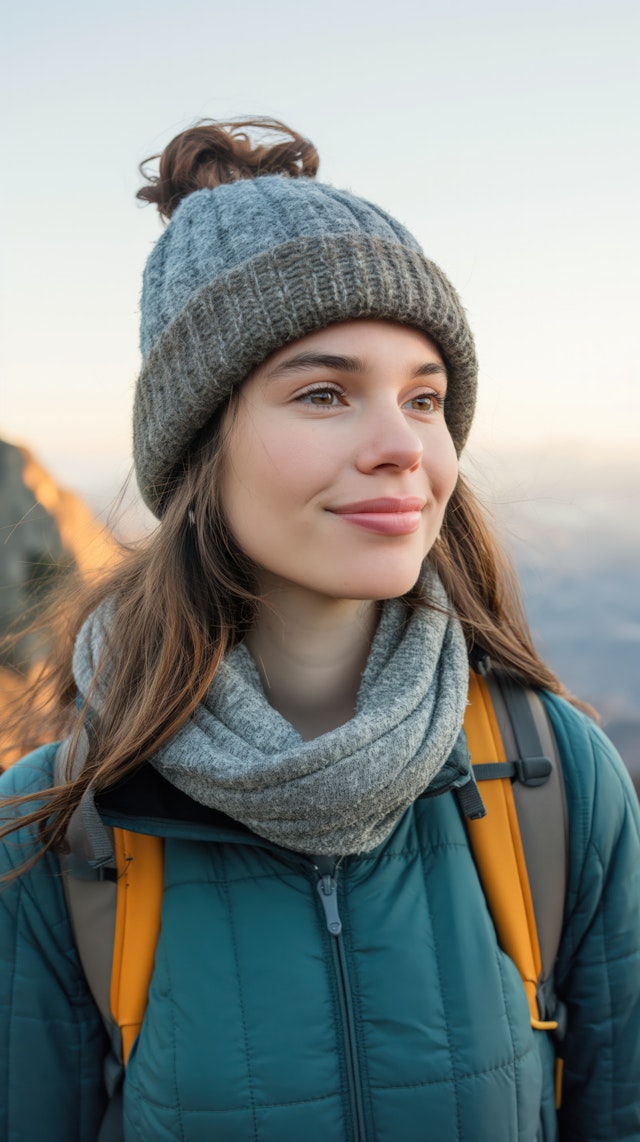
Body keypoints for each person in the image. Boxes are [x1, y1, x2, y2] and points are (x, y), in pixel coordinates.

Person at [1, 118, 639, 1142]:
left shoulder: (554, 779)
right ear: (199, 445)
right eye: (325, 392)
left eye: (424, 397)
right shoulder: (54, 828)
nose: (403, 446)